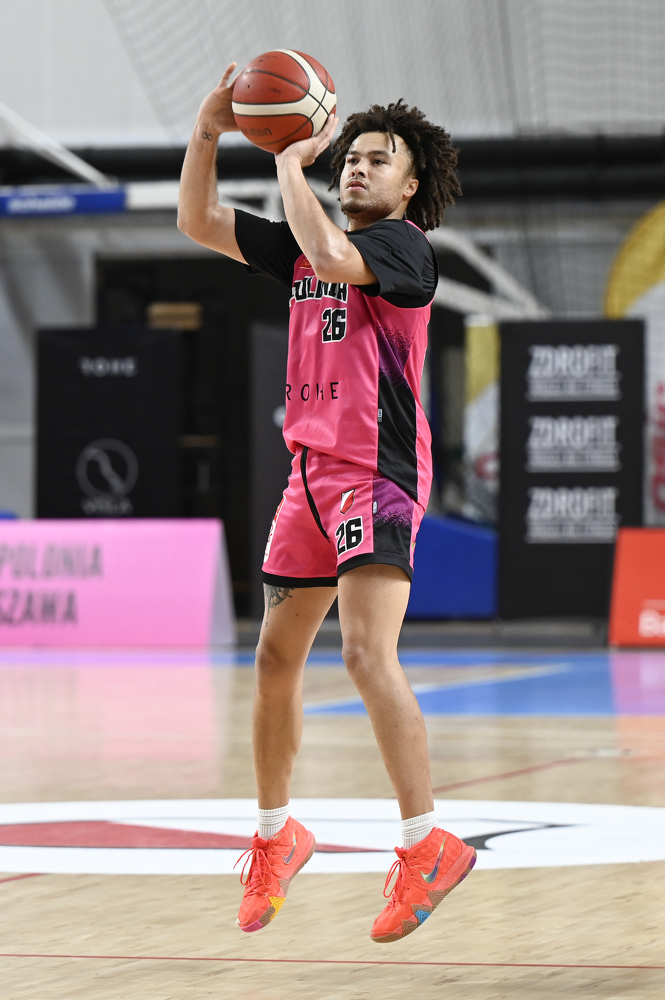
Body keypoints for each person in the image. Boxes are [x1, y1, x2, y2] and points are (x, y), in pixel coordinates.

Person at [178, 63, 476, 943]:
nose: (355, 168)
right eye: (350, 158)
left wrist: (284, 160)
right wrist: (208, 131)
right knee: (273, 659)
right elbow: (197, 221)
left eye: (376, 160)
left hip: (376, 474)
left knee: (363, 653)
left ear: (409, 186)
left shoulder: (405, 249)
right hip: (307, 478)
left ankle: (426, 843)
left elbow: (337, 257)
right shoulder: (306, 247)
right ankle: (276, 835)